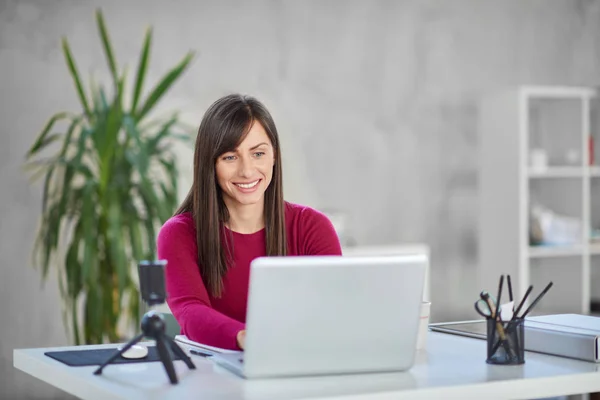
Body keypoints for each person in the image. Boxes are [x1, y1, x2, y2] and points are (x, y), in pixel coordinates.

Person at [157, 94, 342, 350]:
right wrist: (247, 338)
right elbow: (190, 311)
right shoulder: (179, 234)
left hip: (299, 367)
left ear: (274, 156)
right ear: (209, 164)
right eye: (230, 157)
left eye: (258, 153)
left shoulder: (312, 227)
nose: (247, 170)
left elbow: (332, 311)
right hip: (212, 378)